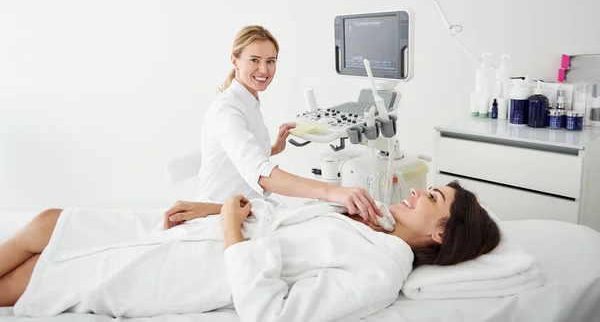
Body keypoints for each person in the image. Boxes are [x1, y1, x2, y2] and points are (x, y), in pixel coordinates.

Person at [0, 181, 500, 322]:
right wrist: (212, 208)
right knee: (48, 222)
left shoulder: (382, 270)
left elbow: (273, 311)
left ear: (439, 233)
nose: (417, 192)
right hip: (204, 231)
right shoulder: (373, 226)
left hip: (194, 267)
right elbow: (281, 213)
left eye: (430, 199)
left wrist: (228, 228)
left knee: (32, 281)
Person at [167, 25, 383, 226]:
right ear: (235, 61)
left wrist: (272, 149)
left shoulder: (248, 100)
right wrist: (332, 192)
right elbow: (259, 173)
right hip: (218, 215)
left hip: (246, 207)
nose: (264, 69)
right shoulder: (227, 110)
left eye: (271, 61)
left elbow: (239, 155)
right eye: (254, 60)